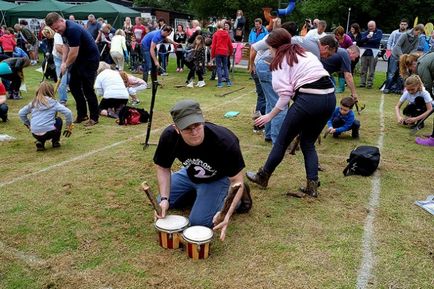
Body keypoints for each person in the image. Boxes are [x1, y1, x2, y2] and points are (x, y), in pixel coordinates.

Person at [246, 28, 336, 198]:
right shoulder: (306, 53)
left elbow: (285, 96)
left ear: (273, 46)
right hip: (329, 99)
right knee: (308, 143)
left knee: (281, 142)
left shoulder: (280, 62)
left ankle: (263, 176)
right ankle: (312, 186)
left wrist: (269, 116)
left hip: (309, 100)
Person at [153, 99, 251, 241]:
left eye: (197, 125)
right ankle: (200, 196)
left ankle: (238, 199)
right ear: (176, 128)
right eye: (187, 128)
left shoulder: (225, 140)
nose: (194, 132)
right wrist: (164, 199)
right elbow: (163, 167)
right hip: (189, 173)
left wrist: (226, 213)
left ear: (203, 120)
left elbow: (236, 180)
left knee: (199, 223)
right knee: (161, 203)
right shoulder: (169, 136)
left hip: (218, 179)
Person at [45, 12, 100, 127]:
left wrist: (66, 64)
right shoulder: (62, 30)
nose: (57, 31)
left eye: (57, 28)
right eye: (54, 29)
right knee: (74, 86)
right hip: (79, 59)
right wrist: (64, 63)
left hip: (89, 60)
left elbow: (74, 52)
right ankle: (82, 114)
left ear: (61, 21)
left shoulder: (73, 29)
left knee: (87, 89)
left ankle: (94, 117)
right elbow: (66, 46)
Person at [18, 82, 73, 151]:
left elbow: (21, 113)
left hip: (34, 133)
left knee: (44, 126)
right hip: (49, 132)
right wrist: (68, 125)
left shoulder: (33, 102)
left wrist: (29, 124)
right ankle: (55, 141)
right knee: (58, 120)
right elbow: (68, 112)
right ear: (51, 91)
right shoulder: (54, 103)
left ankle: (40, 141)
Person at [399, 52, 434, 146]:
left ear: (412, 64)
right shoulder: (423, 60)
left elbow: (428, 86)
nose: (413, 73)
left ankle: (433, 139)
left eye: (410, 70)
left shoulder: (421, 65)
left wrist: (417, 117)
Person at [384, 24, 425, 94]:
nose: (418, 34)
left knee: (402, 73)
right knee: (392, 73)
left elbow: (415, 48)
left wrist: (409, 56)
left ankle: (398, 89)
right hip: (395, 55)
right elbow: (398, 46)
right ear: (415, 30)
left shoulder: (417, 38)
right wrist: (401, 56)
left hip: (405, 57)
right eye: (418, 33)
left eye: (420, 33)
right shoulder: (405, 35)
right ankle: (387, 88)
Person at [358, 21, 382, 88]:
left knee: (372, 70)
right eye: (369, 26)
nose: (370, 28)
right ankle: (362, 83)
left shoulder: (379, 32)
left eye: (372, 26)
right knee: (363, 69)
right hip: (364, 53)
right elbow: (361, 41)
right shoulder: (364, 33)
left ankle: (369, 83)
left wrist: (367, 40)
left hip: (374, 53)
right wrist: (367, 38)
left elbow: (377, 40)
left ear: (375, 26)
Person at [211, 21, 233, 88]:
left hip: (218, 52)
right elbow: (230, 45)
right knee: (225, 67)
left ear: (217, 27)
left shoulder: (216, 34)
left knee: (219, 67)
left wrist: (212, 55)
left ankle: (220, 83)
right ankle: (228, 81)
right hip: (225, 52)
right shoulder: (226, 34)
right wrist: (231, 52)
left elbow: (213, 46)